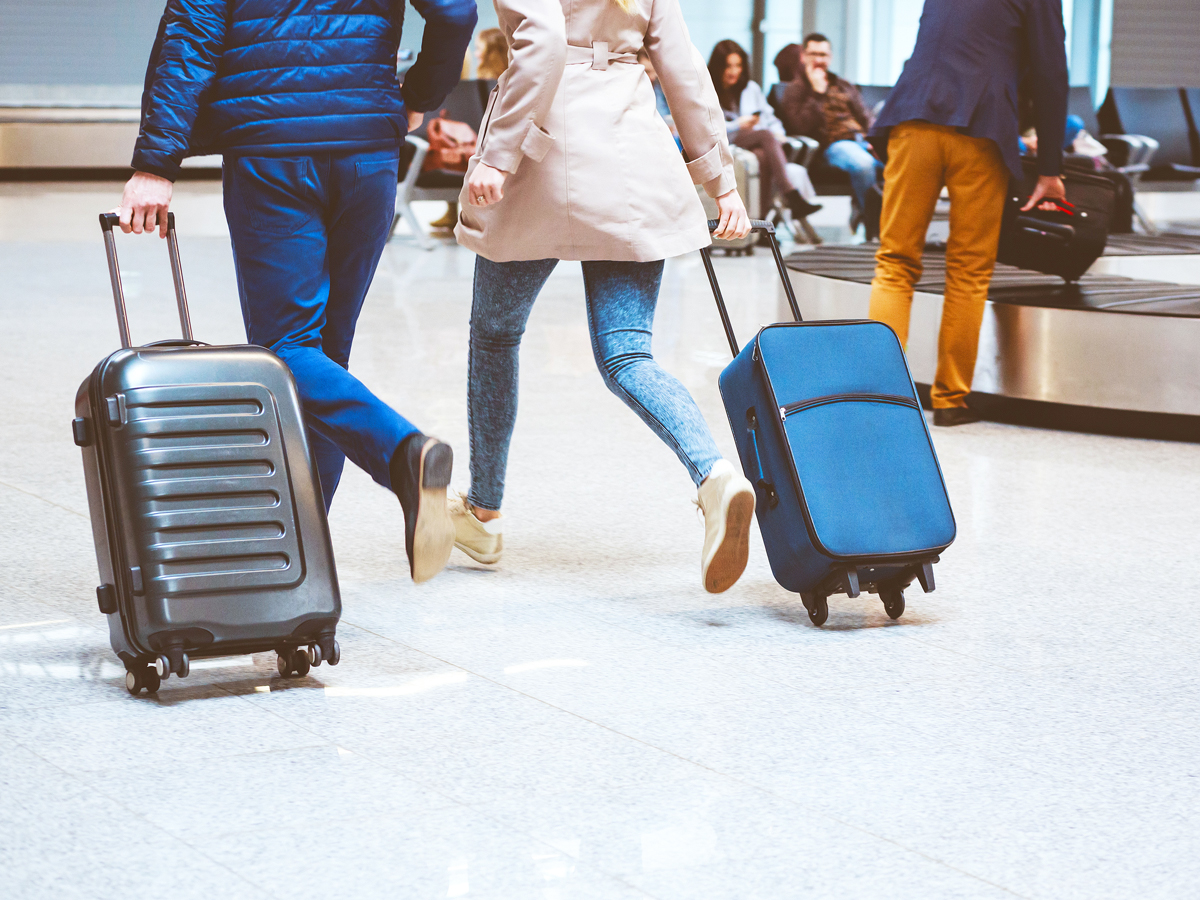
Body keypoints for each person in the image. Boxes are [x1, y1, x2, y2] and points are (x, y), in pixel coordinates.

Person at [114, 0, 477, 582]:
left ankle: (403, 453)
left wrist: (156, 162)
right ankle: (304, 559)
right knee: (323, 357)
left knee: (288, 349)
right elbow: (455, 11)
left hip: (272, 150)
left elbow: (191, 37)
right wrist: (418, 97)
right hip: (367, 149)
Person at [453, 0, 759, 594]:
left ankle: (484, 512)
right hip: (630, 156)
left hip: (542, 155)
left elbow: (542, 42)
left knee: (494, 336)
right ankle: (715, 476)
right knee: (627, 354)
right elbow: (682, 68)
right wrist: (721, 183)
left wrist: (496, 154)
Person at [867, 0, 1068, 426]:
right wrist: (1050, 166)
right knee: (968, 269)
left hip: (913, 115)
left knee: (895, 262)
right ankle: (949, 400)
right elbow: (1050, 72)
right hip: (982, 126)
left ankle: (879, 399)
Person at [709, 40, 822, 221]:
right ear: (718, 67)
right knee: (765, 135)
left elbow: (770, 117)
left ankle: (760, 221)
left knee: (762, 155)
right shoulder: (707, 91)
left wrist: (779, 133)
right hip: (725, 141)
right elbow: (709, 128)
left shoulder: (751, 88)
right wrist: (738, 124)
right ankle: (790, 194)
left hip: (753, 143)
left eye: (738, 65)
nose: (734, 71)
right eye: (728, 66)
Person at [779, 33, 882, 218]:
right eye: (813, 54)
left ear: (830, 57)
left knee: (899, 161)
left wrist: (876, 140)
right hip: (833, 145)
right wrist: (817, 94)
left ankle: (885, 218)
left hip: (862, 141)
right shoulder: (796, 89)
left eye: (823, 55)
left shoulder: (843, 85)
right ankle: (873, 223)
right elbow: (800, 126)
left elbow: (865, 116)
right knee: (864, 164)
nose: (819, 60)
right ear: (803, 56)